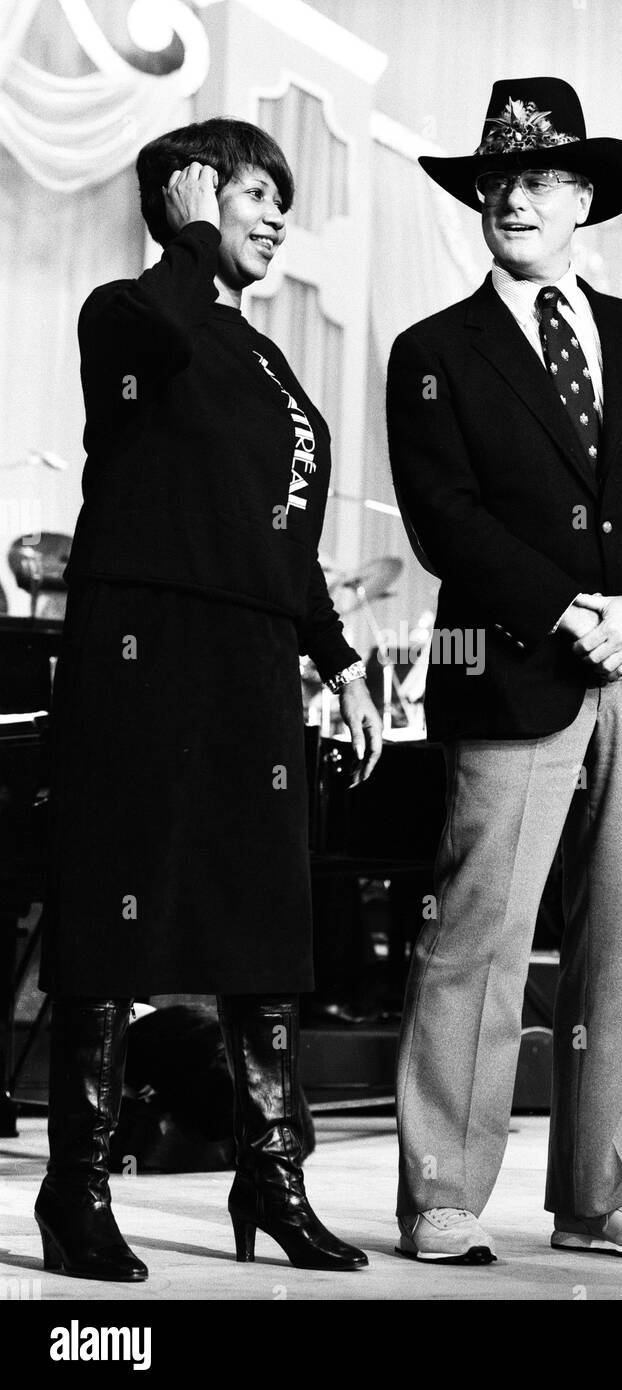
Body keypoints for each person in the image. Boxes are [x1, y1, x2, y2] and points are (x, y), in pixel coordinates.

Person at [386, 77, 622, 1263]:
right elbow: (446, 518)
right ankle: (440, 1190)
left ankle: (602, 1192)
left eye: (536, 178)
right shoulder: (432, 350)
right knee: (477, 938)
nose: (510, 198)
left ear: (584, 197)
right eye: (494, 182)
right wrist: (573, 608)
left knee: (615, 947)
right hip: (514, 675)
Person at [35, 118, 382, 1282]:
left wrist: (335, 654)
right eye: (250, 192)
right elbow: (151, 337)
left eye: (282, 197)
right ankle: (74, 1190)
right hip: (144, 641)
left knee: (260, 915)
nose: (276, 213)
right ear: (188, 197)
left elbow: (277, 529)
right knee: (112, 908)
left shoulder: (267, 356)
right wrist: (185, 244)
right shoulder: (132, 314)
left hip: (248, 658)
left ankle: (271, 1176)